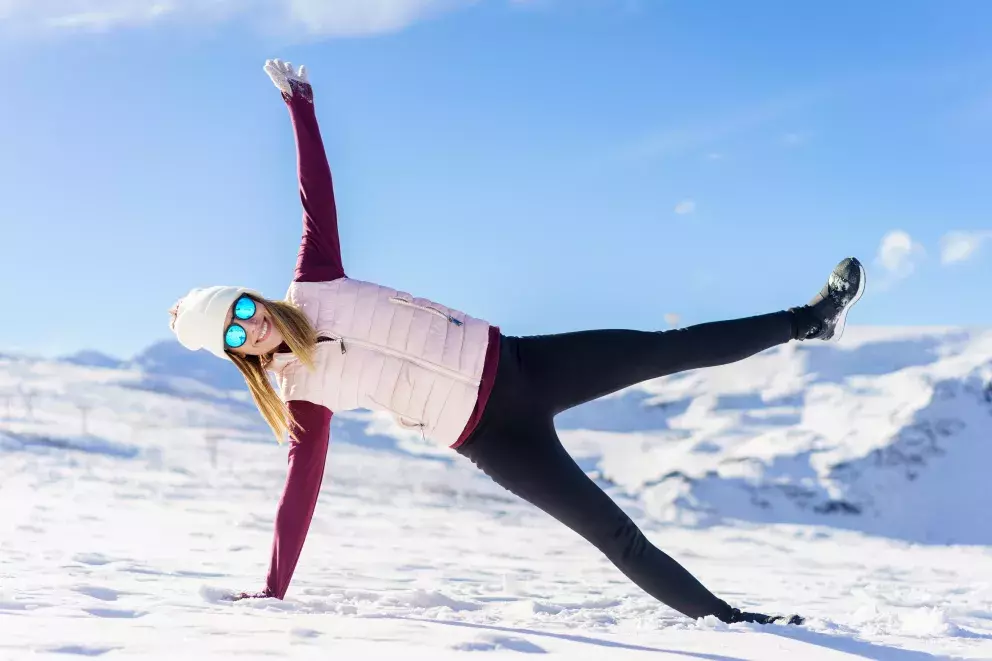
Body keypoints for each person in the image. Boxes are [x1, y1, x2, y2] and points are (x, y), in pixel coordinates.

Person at [169, 59, 865, 625]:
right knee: (614, 535)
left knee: (664, 349)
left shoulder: (313, 277)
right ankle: (738, 622)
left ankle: (812, 319)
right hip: (493, 438)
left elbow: (315, 194)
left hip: (522, 362)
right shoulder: (301, 394)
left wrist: (302, 107)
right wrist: (274, 587)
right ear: (236, 354)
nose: (248, 323)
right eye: (233, 332)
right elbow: (301, 490)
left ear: (249, 296)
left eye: (240, 306)